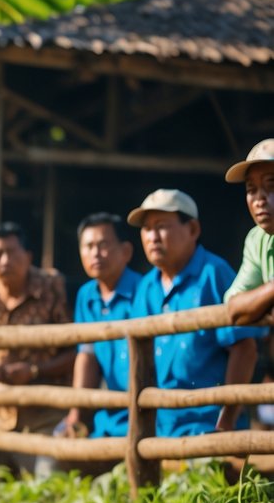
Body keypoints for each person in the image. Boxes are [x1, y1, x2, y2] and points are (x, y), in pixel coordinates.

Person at [128, 189, 264, 436]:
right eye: (146, 229)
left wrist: (226, 421)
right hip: (159, 429)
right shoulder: (146, 287)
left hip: (207, 426)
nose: (152, 237)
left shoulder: (214, 273)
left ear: (192, 229)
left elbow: (244, 349)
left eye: (161, 226)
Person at [0, 222, 74, 476]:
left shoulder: (53, 287)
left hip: (48, 411)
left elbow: (76, 350)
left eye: (12, 253)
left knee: (48, 478)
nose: (4, 261)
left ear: (28, 257)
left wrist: (34, 370)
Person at [61, 213, 142, 440]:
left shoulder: (143, 290)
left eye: (103, 245)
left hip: (144, 409)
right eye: (88, 246)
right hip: (108, 414)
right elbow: (86, 355)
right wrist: (76, 413)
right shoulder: (86, 295)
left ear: (126, 251)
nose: (95, 253)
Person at [223, 139, 274, 324]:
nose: (259, 199)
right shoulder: (257, 239)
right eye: (251, 189)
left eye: (271, 185)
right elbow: (234, 309)